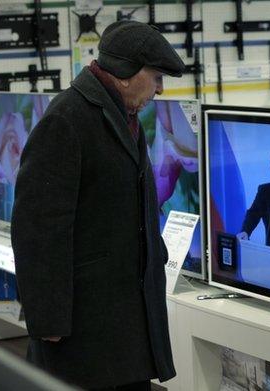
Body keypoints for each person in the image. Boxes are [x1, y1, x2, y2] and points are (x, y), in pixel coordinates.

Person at [11, 21, 185, 390]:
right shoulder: (67, 120)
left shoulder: (124, 115)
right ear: (124, 74)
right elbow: (37, 227)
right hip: (84, 334)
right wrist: (49, 319)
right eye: (155, 77)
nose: (160, 89)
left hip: (121, 324)